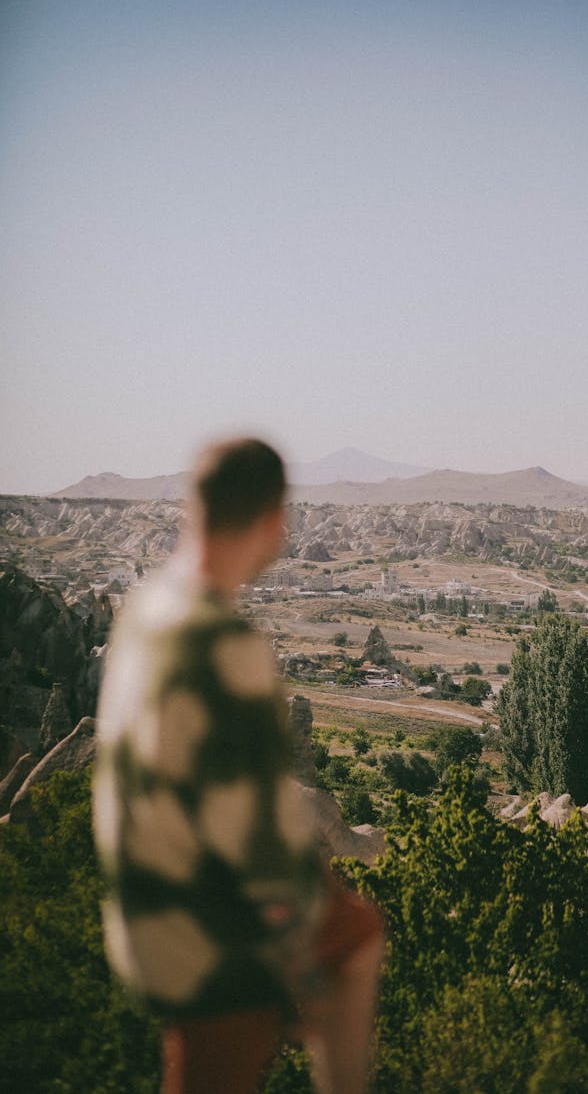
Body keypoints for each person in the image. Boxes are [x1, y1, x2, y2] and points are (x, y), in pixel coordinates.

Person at [93, 438, 383, 1094]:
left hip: (136, 900)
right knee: (358, 933)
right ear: (274, 524)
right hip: (200, 917)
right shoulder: (226, 642)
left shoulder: (144, 611)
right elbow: (250, 830)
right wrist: (297, 948)